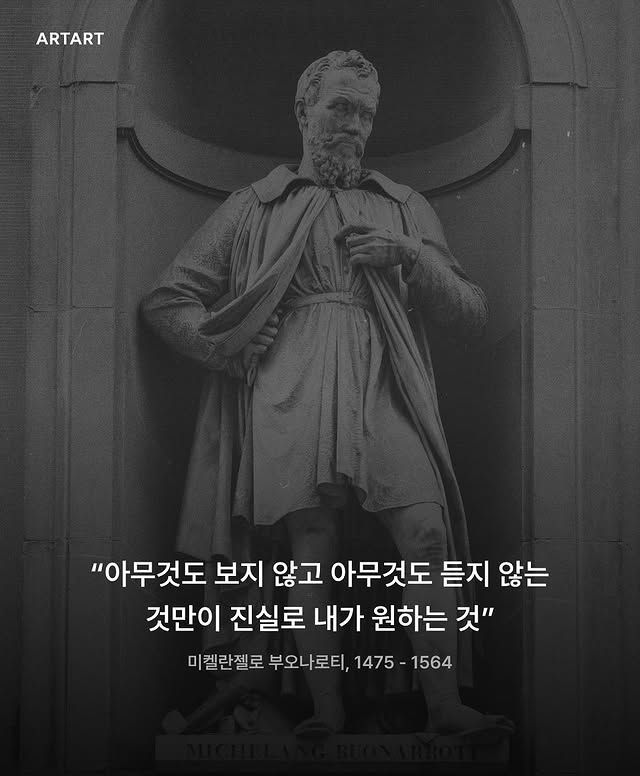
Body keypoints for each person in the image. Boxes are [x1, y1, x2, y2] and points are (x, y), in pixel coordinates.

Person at [141, 50, 513, 739]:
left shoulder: (403, 206)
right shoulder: (253, 206)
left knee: (426, 532)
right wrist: (227, 346)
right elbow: (169, 302)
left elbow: (471, 312)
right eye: (341, 108)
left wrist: (410, 256)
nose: (355, 127)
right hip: (291, 380)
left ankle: (443, 706)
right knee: (308, 547)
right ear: (303, 110)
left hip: (384, 378)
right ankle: (326, 710)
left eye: (366, 114)